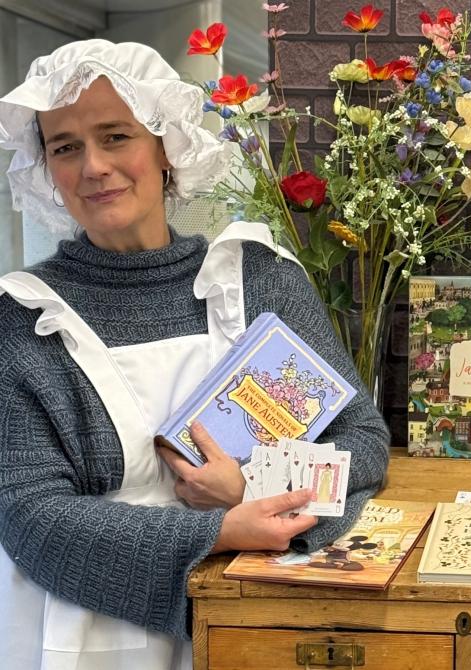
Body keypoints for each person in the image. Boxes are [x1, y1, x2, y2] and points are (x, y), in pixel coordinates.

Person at [0, 40, 390, 669]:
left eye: (116, 135)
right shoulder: (20, 317)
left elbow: (362, 443)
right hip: (84, 635)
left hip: (253, 616)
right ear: (46, 168)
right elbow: (31, 520)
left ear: (166, 146)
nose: (93, 166)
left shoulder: (258, 278)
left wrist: (255, 489)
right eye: (65, 146)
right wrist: (221, 529)